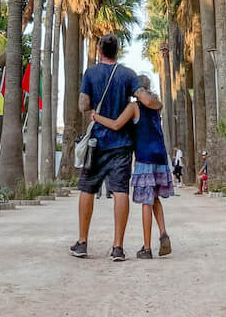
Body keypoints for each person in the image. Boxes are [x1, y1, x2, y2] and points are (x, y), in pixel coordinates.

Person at [70, 34, 159, 262]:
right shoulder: (128, 75)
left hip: (96, 142)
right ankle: (117, 247)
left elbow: (82, 105)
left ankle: (82, 242)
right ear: (117, 50)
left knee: (87, 188)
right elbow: (145, 100)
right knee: (120, 191)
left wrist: (94, 106)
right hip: (122, 144)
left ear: (100, 50)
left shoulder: (90, 73)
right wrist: (155, 102)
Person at [92, 73, 173, 260]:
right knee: (154, 198)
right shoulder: (156, 104)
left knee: (146, 201)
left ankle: (147, 247)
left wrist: (97, 117)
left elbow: (116, 124)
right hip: (160, 156)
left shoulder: (134, 106)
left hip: (144, 158)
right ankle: (163, 233)